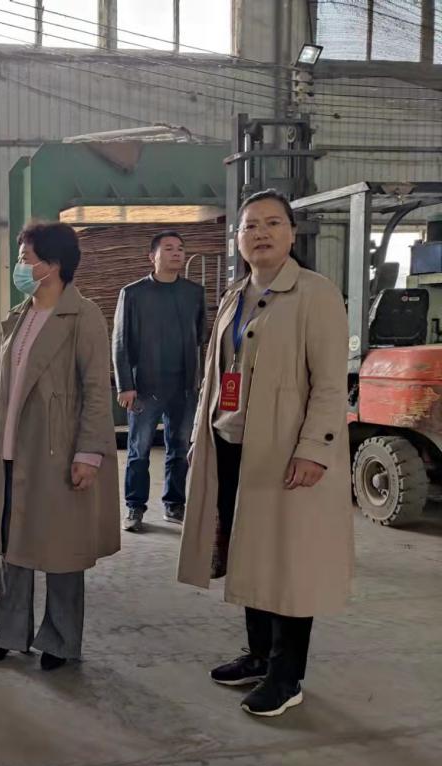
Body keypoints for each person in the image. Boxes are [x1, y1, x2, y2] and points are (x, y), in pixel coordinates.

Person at [179, 189, 353, 718]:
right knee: (248, 553)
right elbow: (216, 376)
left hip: (284, 453)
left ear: (292, 234)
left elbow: (330, 384)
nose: (261, 233)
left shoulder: (316, 295)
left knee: (288, 561)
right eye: (250, 225)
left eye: (273, 223)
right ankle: (257, 656)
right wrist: (200, 436)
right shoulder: (235, 295)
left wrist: (314, 449)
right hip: (232, 445)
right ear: (237, 239)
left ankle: (286, 675)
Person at [0, 221, 120, 671]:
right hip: (12, 446)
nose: (20, 266)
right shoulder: (20, 315)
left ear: (53, 265)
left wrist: (89, 453)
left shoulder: (83, 316)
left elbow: (96, 389)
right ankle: (8, 633)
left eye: (26, 258)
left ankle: (60, 640)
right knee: (12, 542)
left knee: (62, 548)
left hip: (57, 448)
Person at [113, 231, 206, 532]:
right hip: (145, 388)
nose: (176, 253)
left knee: (179, 448)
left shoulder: (193, 293)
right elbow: (120, 342)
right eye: (168, 248)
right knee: (139, 449)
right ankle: (134, 507)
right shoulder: (134, 293)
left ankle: (174, 504)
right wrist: (125, 385)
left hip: (184, 387)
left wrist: (200, 382)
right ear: (151, 256)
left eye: (180, 248)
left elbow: (201, 338)